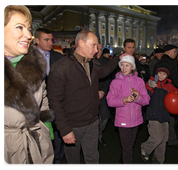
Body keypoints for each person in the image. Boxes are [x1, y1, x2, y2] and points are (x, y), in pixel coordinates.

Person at [47, 30, 124, 164]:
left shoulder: (92, 63)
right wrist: (65, 130)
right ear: (81, 43)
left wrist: (118, 59)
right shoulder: (61, 67)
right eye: (93, 45)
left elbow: (104, 72)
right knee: (73, 161)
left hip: (92, 122)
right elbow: (54, 101)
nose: (96, 50)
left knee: (93, 158)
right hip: (72, 125)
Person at [2, 3, 54, 164]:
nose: (28, 35)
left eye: (28, 28)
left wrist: (47, 128)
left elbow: (43, 100)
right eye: (19, 27)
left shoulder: (35, 65)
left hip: (38, 145)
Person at [141, 66, 178, 164]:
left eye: (164, 74)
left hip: (165, 115)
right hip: (154, 114)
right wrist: (151, 87)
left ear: (167, 76)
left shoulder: (169, 85)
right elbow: (145, 93)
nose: (161, 76)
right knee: (157, 138)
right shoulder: (151, 82)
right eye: (159, 73)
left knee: (164, 139)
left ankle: (158, 161)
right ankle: (145, 148)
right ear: (156, 74)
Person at [107, 55, 150, 164]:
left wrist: (137, 97)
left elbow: (146, 100)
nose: (124, 68)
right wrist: (124, 100)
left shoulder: (139, 81)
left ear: (132, 67)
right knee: (127, 149)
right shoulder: (115, 82)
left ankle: (122, 162)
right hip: (123, 120)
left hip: (136, 120)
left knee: (130, 146)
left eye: (127, 65)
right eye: (122, 65)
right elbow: (110, 101)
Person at [34, 27, 65, 164]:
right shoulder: (27, 58)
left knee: (58, 136)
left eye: (51, 39)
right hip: (36, 107)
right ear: (36, 40)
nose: (50, 43)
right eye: (46, 40)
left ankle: (57, 162)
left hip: (57, 104)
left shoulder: (59, 58)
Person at [96, 45, 112, 146]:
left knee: (104, 118)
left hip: (102, 94)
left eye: (100, 49)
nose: (98, 51)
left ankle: (99, 135)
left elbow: (107, 79)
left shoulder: (105, 63)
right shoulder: (87, 62)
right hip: (90, 95)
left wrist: (103, 91)